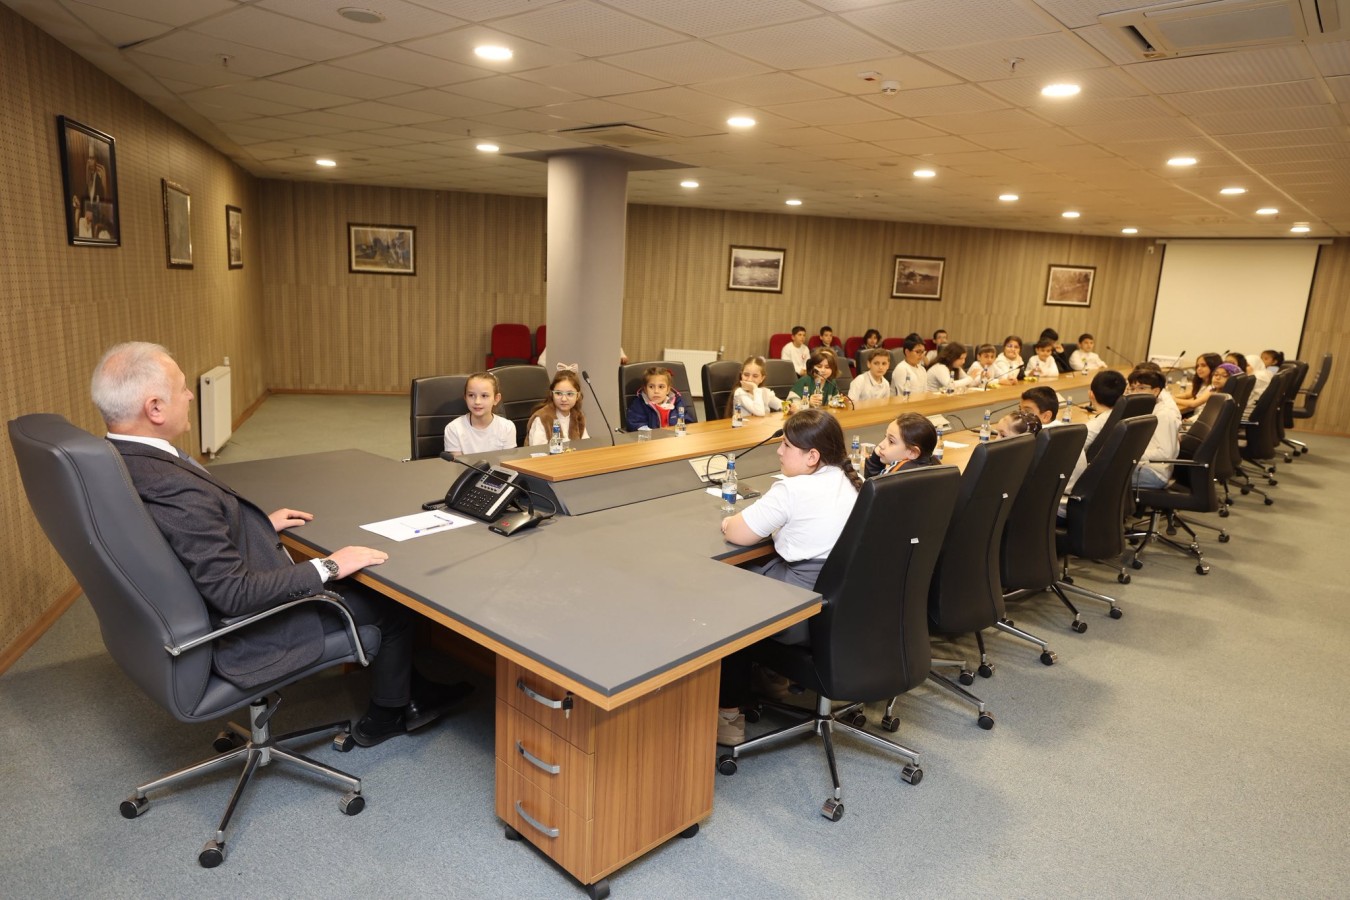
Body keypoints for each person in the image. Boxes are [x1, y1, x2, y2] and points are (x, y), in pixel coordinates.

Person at [90, 342, 469, 748]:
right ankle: (389, 714)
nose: (189, 396)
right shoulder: (174, 488)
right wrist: (328, 566)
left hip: (190, 611)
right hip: (241, 632)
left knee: (356, 582)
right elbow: (234, 593)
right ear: (155, 408)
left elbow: (175, 541)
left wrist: (251, 527)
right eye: (182, 388)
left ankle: (407, 687)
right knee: (390, 606)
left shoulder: (117, 461)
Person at [715, 409, 861, 744]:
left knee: (727, 592)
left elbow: (737, 532)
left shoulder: (792, 490)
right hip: (841, 611)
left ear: (812, 456)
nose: (779, 452)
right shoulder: (851, 481)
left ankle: (728, 713)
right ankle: (773, 679)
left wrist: (729, 521)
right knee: (759, 574)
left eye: (786, 446)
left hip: (801, 614)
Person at [1064, 369, 1128, 498]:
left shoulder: (1095, 425)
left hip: (1084, 482)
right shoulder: (1122, 415)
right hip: (1111, 479)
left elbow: (1072, 450)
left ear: (1091, 394)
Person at [1126, 366, 1182, 488]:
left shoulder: (1164, 415)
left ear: (1156, 391)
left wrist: (1129, 454)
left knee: (1101, 476)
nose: (1135, 393)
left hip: (1154, 473)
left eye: (1141, 388)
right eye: (1132, 388)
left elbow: (1165, 454)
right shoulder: (1150, 408)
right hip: (1143, 465)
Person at [443, 372, 517, 454]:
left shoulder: (507, 427)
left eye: (484, 396)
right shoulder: (453, 429)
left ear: (496, 399)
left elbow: (508, 460)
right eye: (471, 395)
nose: (477, 402)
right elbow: (457, 461)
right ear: (465, 397)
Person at [864, 412, 940, 477]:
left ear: (913, 452)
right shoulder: (936, 466)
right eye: (885, 437)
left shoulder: (897, 474)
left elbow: (871, 486)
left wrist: (874, 460)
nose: (880, 444)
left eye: (891, 441)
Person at [525, 369, 589, 447]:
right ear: (552, 394)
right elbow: (537, 451)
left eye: (570, 394)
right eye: (558, 393)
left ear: (578, 396)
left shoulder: (578, 416)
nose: (564, 399)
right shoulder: (542, 418)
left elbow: (586, 445)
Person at [626, 365, 696, 430]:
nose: (656, 391)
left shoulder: (677, 402)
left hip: (675, 437)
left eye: (661, 387)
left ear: (668, 390)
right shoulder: (639, 404)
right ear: (645, 389)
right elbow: (636, 424)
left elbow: (687, 421)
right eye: (651, 387)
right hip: (652, 438)